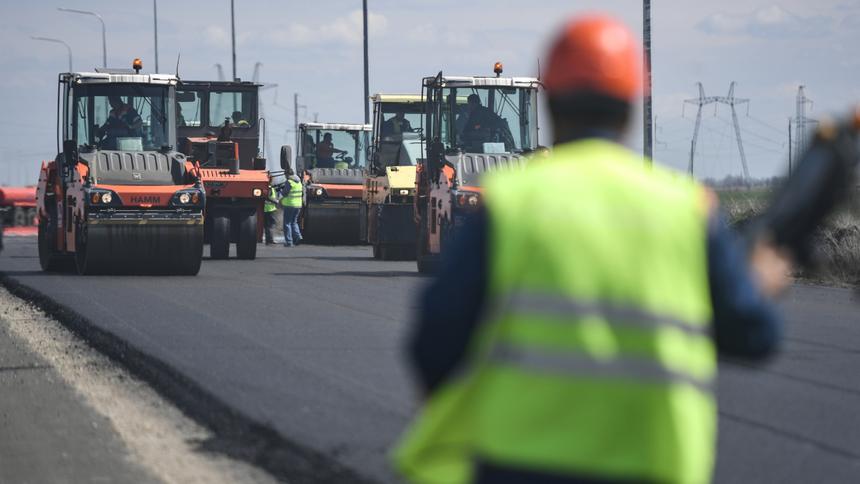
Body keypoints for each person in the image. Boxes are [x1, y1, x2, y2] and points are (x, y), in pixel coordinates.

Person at [394, 15, 791, 484]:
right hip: (654, 468)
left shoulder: (512, 203)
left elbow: (433, 342)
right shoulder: (687, 209)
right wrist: (759, 280)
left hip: (520, 466)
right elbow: (753, 334)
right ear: (631, 107)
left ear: (550, 105)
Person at [279, 167, 304, 247]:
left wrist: (280, 192)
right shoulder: (299, 182)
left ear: (287, 174)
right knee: (294, 222)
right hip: (298, 205)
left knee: (287, 223)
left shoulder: (289, 182)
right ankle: (298, 237)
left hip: (289, 205)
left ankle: (289, 241)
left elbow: (284, 193)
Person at [264, 180, 280, 245]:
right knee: (270, 225)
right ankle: (270, 240)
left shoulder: (269, 188)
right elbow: (268, 197)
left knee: (268, 225)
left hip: (268, 209)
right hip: (270, 209)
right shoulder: (269, 188)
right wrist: (276, 201)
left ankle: (269, 239)